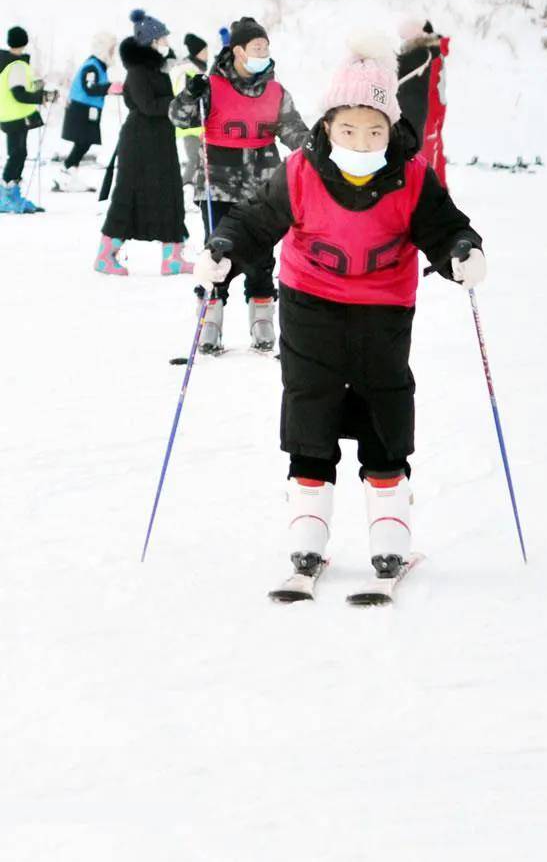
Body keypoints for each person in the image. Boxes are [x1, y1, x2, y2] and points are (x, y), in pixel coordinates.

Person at [195, 31, 485, 580]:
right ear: (327, 125)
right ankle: (307, 535)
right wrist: (224, 250)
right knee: (311, 405)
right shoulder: (302, 172)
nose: (360, 137)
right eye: (348, 127)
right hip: (310, 306)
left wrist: (462, 252)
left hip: (383, 311)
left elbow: (444, 228)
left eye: (374, 128)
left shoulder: (412, 176)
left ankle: (388, 535)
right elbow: (256, 221)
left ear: (391, 128)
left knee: (385, 406)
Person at [169, 15, 308, 351]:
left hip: (263, 186)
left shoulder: (275, 91)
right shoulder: (211, 86)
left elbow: (293, 130)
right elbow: (178, 116)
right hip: (217, 181)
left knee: (262, 255)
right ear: (238, 51)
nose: (263, 52)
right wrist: (191, 94)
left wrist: (315, 147)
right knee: (218, 253)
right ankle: (209, 321)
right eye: (256, 47)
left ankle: (261, 318)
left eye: (265, 46)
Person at [94, 9, 193, 276]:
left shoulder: (158, 69)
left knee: (170, 191)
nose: (166, 44)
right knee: (129, 194)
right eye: (162, 39)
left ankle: (172, 255)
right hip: (139, 142)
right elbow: (148, 105)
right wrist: (179, 101)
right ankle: (106, 254)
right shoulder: (138, 72)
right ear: (150, 42)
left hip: (160, 139)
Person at [0, 25, 58, 214]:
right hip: (17, 114)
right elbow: (18, 94)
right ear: (24, 43)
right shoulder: (17, 65)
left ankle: (11, 194)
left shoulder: (8, 62)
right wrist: (43, 97)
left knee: (18, 152)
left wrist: (37, 88)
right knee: (18, 153)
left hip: (8, 114)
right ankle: (7, 196)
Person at [55, 32, 123, 192]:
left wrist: (112, 88)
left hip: (88, 110)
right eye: (111, 49)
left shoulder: (98, 66)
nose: (113, 52)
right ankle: (67, 171)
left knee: (84, 142)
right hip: (81, 110)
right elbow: (90, 87)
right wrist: (109, 87)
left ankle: (69, 171)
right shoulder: (92, 66)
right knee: (83, 142)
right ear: (104, 49)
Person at [399, 20, 450, 186]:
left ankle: (430, 186)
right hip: (436, 104)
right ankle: (438, 184)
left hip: (430, 105)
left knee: (426, 148)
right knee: (433, 146)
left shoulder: (427, 52)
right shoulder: (435, 49)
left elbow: (430, 84)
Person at [170, 34, 210, 191]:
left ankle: (193, 190)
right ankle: (181, 189)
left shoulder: (194, 69)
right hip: (191, 125)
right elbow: (187, 98)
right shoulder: (189, 72)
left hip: (195, 124)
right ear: (197, 52)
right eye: (204, 50)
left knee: (199, 160)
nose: (207, 53)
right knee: (195, 159)